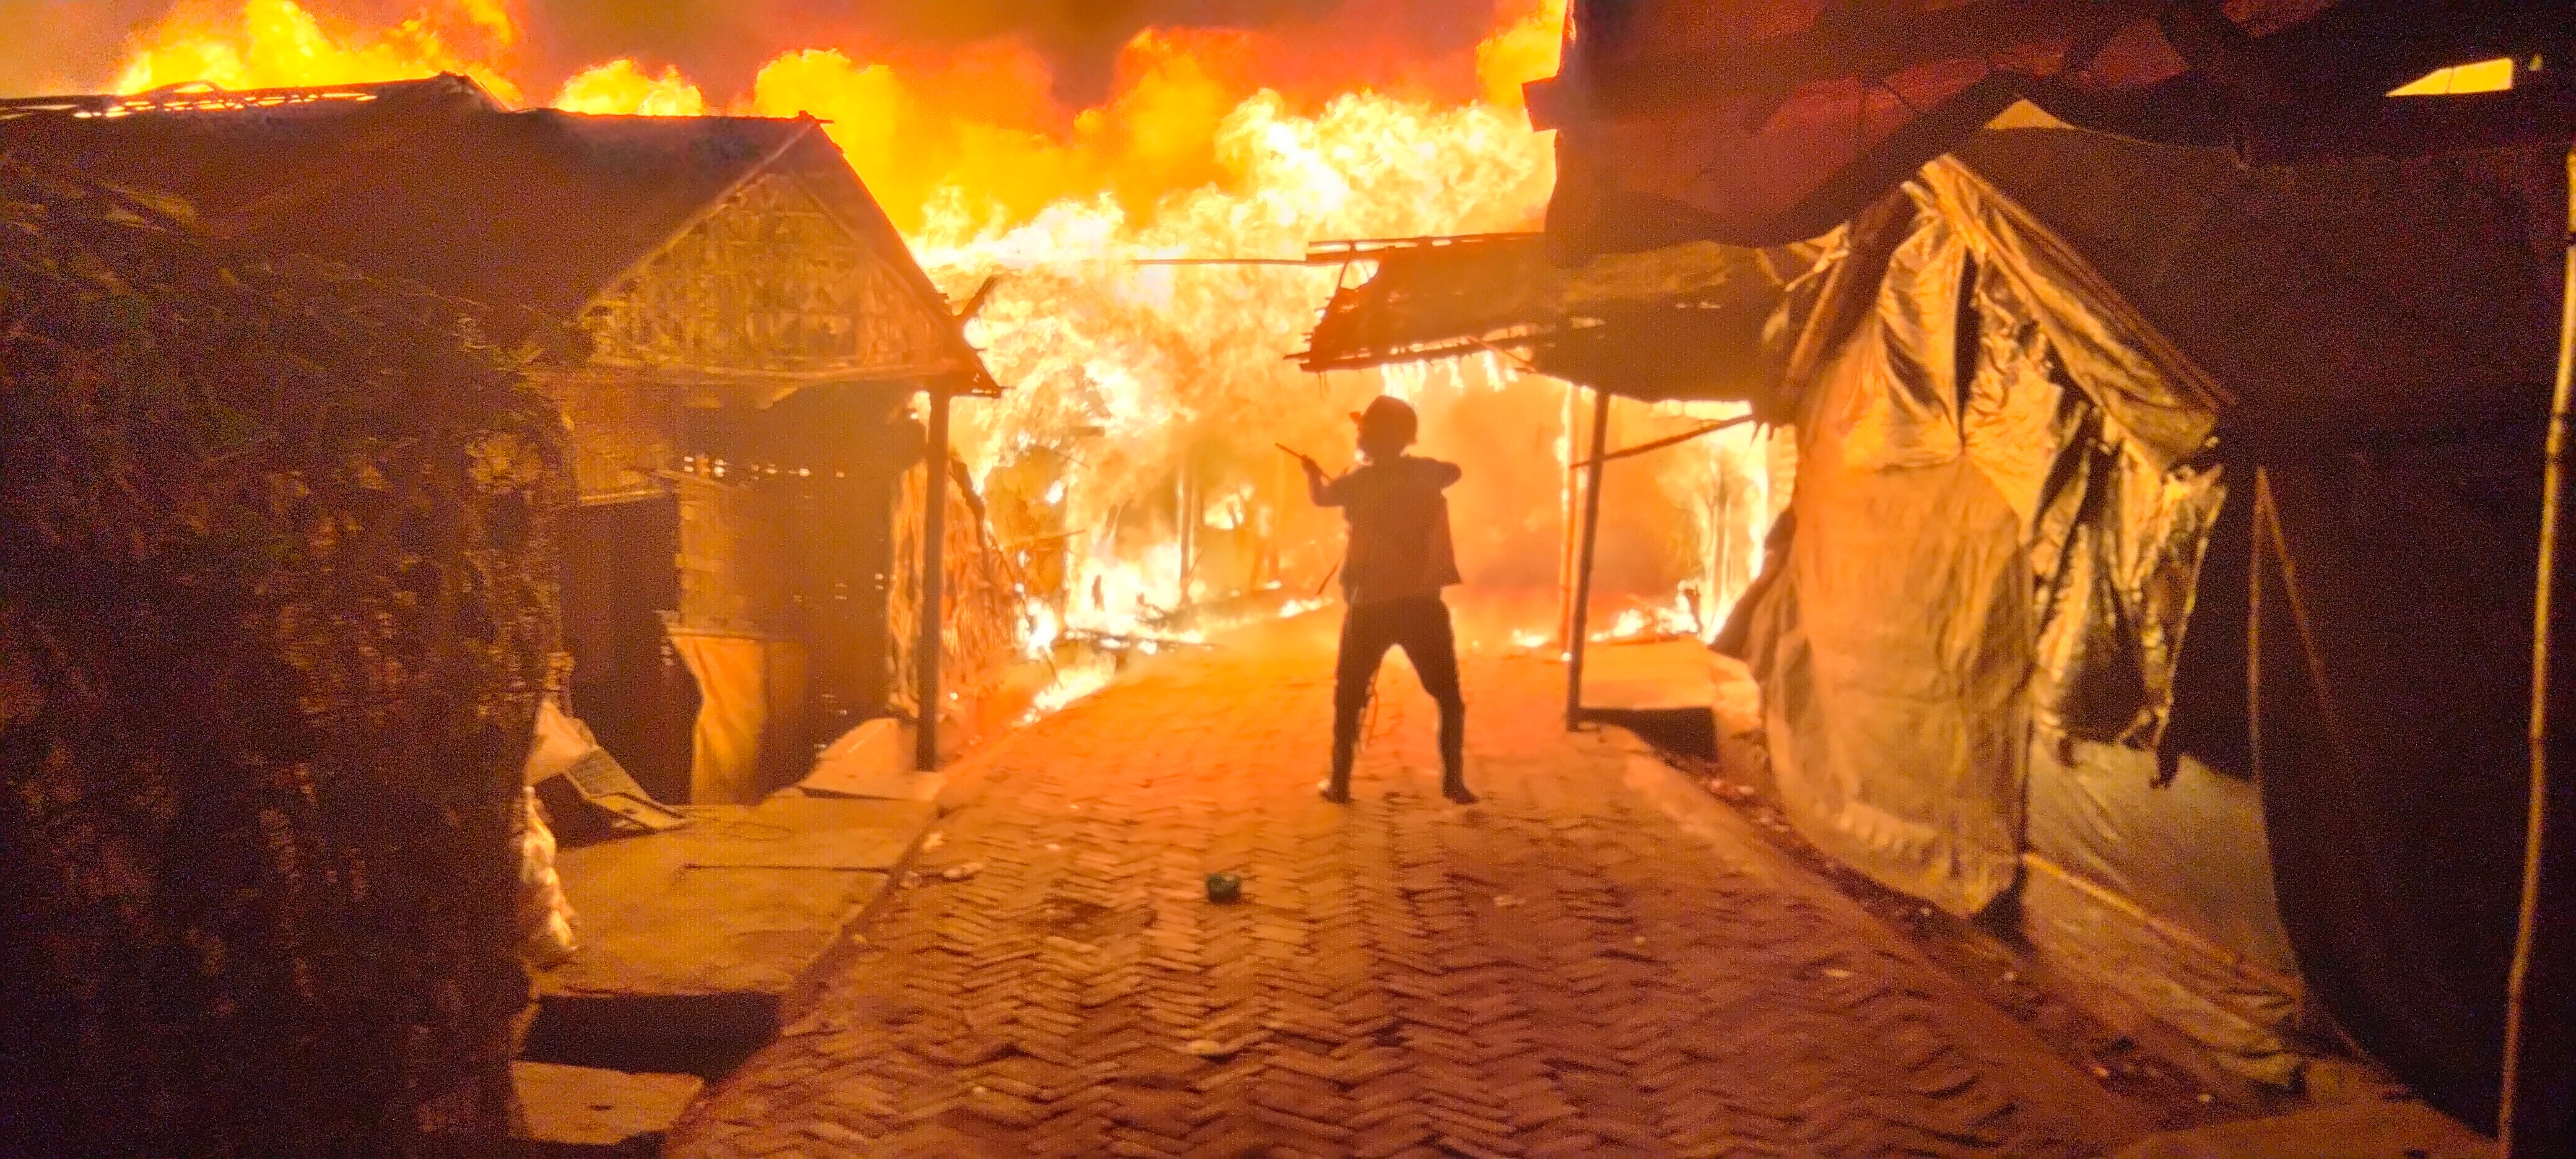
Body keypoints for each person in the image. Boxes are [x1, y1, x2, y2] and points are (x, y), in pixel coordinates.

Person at [1293, 396, 1474, 805]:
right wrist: (1403, 467)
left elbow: (1321, 497)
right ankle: (1455, 782)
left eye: (1364, 430)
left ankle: (1339, 783)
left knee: (1349, 695)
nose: (1358, 435)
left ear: (1376, 437)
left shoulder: (1358, 483)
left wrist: (1311, 474)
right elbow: (1454, 472)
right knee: (1448, 696)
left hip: (1370, 605)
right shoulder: (1426, 473)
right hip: (1421, 605)